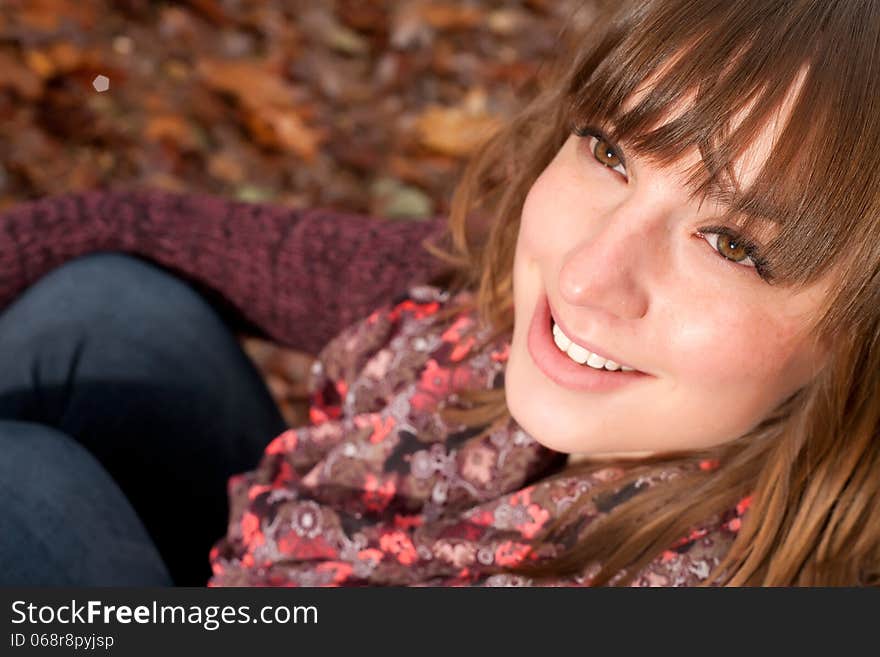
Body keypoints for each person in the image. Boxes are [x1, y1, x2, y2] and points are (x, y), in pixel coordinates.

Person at [2, 0, 879, 586]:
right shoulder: (473, 305)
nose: (584, 275)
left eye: (733, 245)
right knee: (109, 312)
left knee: (27, 487)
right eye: (610, 153)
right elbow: (149, 229)